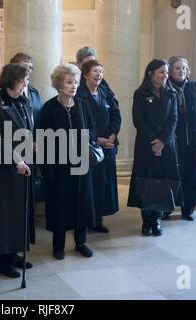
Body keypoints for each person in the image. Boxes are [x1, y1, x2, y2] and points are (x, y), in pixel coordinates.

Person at [0, 63, 35, 278]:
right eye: (22, 81)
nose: (25, 85)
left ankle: (14, 254)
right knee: (3, 215)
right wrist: (16, 160)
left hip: (22, 166)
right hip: (1, 168)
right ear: (11, 80)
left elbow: (28, 129)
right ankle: (2, 261)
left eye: (26, 81)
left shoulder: (24, 102)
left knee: (19, 212)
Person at [38, 63, 96, 260]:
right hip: (58, 165)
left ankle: (81, 242)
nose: (74, 86)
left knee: (82, 203)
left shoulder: (83, 106)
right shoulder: (49, 108)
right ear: (58, 84)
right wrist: (47, 169)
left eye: (76, 82)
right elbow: (43, 140)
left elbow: (92, 130)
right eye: (69, 82)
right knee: (60, 205)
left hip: (81, 164)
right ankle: (58, 246)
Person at [127, 59, 179, 236]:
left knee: (161, 182)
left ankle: (156, 219)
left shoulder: (171, 93)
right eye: (161, 72)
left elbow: (174, 119)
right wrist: (154, 141)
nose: (165, 75)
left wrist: (162, 141)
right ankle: (146, 220)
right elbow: (138, 121)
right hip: (146, 146)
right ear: (151, 73)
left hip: (166, 146)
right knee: (145, 181)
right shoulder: (140, 94)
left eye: (166, 72)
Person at [165, 57, 196, 221]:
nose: (181, 71)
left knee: (191, 174)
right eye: (177, 68)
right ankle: (166, 207)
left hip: (193, 141)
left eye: (184, 68)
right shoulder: (164, 89)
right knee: (171, 173)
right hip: (171, 141)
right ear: (170, 71)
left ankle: (188, 208)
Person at [77, 59, 121, 232]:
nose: (98, 75)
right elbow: (79, 124)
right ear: (86, 74)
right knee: (90, 185)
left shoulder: (105, 92)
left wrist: (113, 134)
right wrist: (96, 140)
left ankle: (98, 220)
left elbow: (116, 115)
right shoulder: (79, 94)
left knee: (104, 184)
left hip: (108, 146)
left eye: (101, 72)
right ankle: (86, 220)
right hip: (89, 147)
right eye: (95, 71)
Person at [10, 52, 43, 127]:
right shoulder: (8, 92)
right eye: (25, 66)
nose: (28, 70)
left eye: (30, 67)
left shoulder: (34, 92)